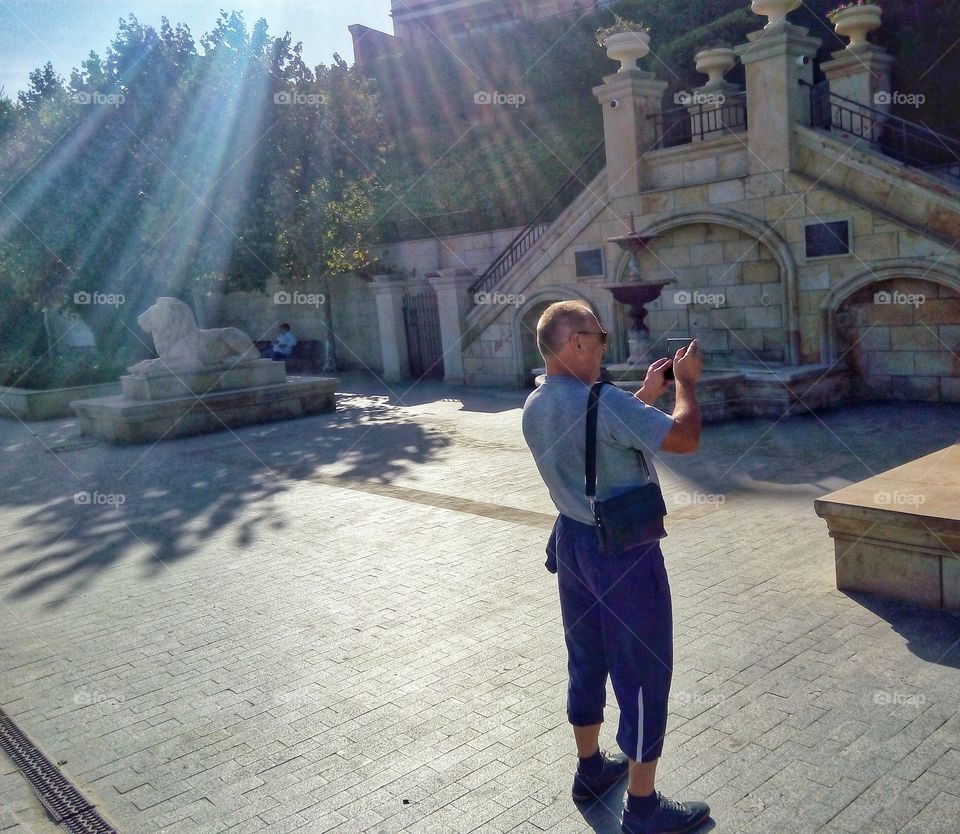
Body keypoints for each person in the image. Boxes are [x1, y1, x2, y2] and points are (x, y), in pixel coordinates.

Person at [521, 300, 710, 834]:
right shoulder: (603, 401)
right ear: (576, 343)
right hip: (623, 553)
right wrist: (685, 384)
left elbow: (592, 437)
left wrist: (645, 395)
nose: (605, 345)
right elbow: (685, 438)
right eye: (600, 336)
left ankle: (590, 770)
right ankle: (643, 808)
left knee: (586, 657)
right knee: (644, 672)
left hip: (573, 542)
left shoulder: (536, 403)